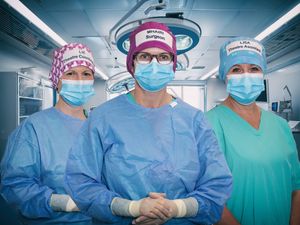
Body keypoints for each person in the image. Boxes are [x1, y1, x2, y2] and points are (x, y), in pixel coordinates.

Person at [64, 21, 232, 225]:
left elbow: (216, 186)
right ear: (132, 64)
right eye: (145, 56)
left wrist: (175, 208)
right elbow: (81, 182)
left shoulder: (194, 120)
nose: (154, 64)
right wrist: (131, 208)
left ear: (172, 64)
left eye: (163, 57)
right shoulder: (103, 117)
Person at [206, 37, 300, 225]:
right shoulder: (208, 123)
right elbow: (208, 197)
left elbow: (296, 187)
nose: (246, 76)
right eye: (237, 70)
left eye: (254, 69)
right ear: (225, 75)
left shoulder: (281, 126)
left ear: (262, 73)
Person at [0, 43, 96, 225]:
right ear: (56, 80)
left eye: (86, 74)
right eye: (70, 73)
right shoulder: (34, 128)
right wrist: (66, 203)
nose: (80, 80)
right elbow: (16, 186)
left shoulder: (99, 127)